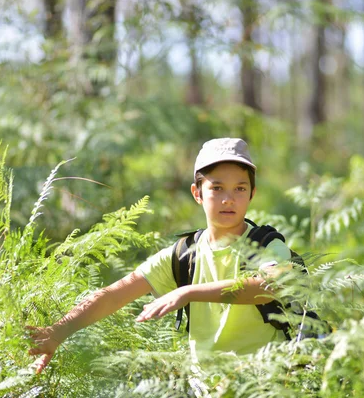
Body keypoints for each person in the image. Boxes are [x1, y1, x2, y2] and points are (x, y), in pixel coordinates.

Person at [27, 137, 293, 373]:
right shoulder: (184, 254)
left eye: (240, 188)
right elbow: (113, 295)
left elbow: (271, 285)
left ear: (252, 194)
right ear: (197, 193)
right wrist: (58, 331)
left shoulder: (267, 245)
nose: (228, 199)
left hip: (265, 382)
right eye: (217, 188)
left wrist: (188, 292)